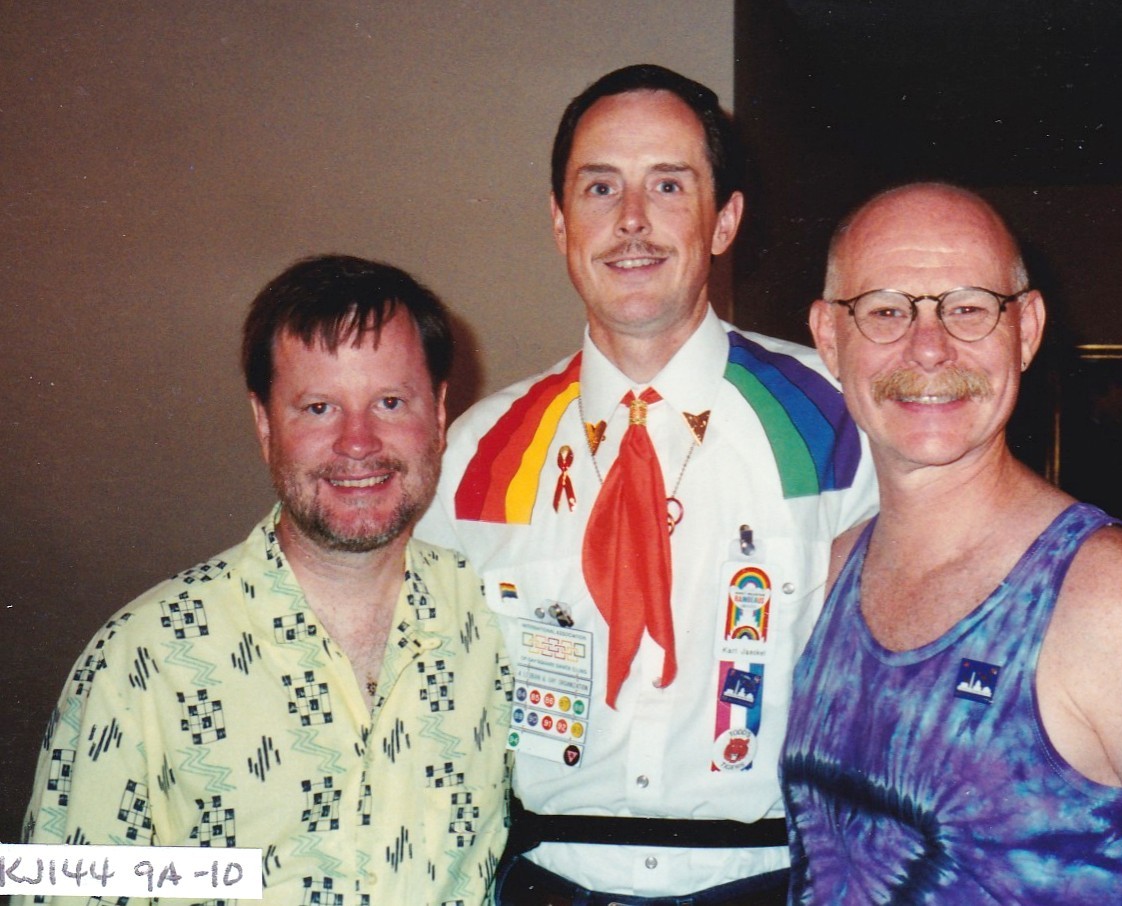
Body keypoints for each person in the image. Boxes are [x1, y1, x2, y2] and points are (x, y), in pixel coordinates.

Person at [782, 182, 1122, 904]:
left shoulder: (1107, 597)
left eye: (968, 308)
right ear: (827, 337)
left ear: (1027, 330)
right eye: (885, 310)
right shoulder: (835, 569)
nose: (929, 347)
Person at [415, 64, 876, 903]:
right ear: (559, 222)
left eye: (668, 184)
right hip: (544, 881)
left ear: (724, 219)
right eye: (599, 188)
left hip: (768, 883)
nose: (630, 219)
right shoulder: (478, 452)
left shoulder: (837, 420)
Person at [18, 254, 512, 905]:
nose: (358, 442)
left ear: (440, 414)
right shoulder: (144, 660)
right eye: (318, 408)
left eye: (390, 402)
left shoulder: (497, 623)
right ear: (264, 424)